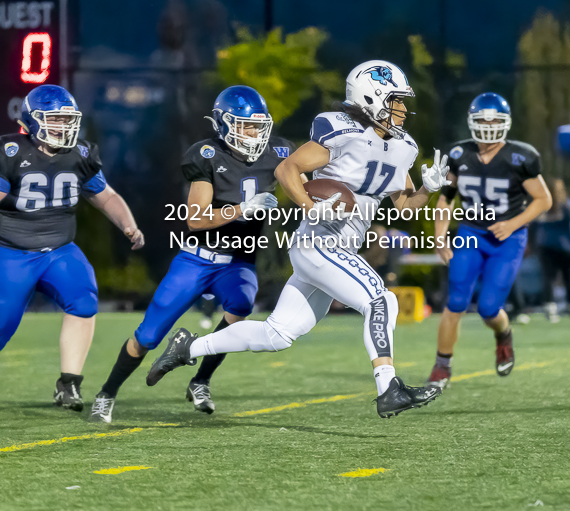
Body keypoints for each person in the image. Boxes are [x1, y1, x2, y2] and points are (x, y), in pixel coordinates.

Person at [146, 60, 449, 418]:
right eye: (395, 100)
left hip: (339, 250)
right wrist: (309, 206)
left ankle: (188, 347)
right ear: (372, 96)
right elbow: (286, 168)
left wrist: (429, 189)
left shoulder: (404, 148)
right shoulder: (342, 130)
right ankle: (389, 388)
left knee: (277, 334)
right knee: (382, 300)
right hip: (319, 242)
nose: (402, 109)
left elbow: (404, 207)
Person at [89, 86, 294, 423]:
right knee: (148, 336)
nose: (254, 134)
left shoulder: (281, 151)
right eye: (244, 125)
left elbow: (311, 174)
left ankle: (201, 380)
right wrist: (241, 209)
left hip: (239, 261)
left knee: (241, 306)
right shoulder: (207, 155)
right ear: (224, 125)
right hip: (198, 258)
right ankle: (107, 393)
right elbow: (196, 219)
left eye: (258, 126)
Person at [0, 84, 144, 412]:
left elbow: (107, 196)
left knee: (84, 300)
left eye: (66, 119)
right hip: (12, 251)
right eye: (54, 119)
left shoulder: (80, 154)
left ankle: (68, 383)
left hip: (60, 249)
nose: (62, 126)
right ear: (32, 121)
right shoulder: (9, 151)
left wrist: (127, 223)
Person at [426, 92, 552, 389]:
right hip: (470, 233)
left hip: (506, 240)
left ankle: (503, 335)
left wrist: (512, 224)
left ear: (506, 123)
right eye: (483, 119)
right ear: (472, 121)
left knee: (488, 308)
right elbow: (446, 199)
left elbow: (543, 199)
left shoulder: (521, 157)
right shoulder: (458, 154)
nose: (489, 124)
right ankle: (442, 366)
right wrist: (440, 237)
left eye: (495, 119)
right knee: (455, 301)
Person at [537, 179, 570, 323]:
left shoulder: (542, 205)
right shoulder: (568, 205)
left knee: (549, 279)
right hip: (566, 247)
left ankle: (550, 308)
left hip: (546, 246)